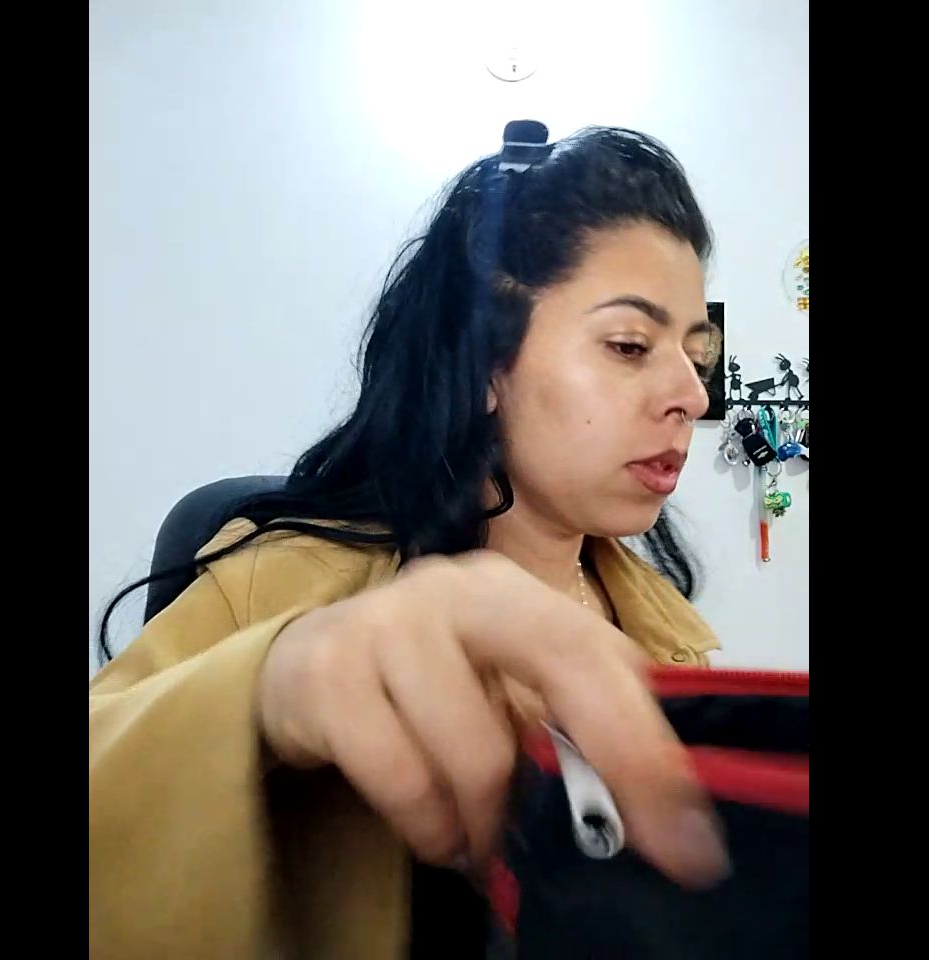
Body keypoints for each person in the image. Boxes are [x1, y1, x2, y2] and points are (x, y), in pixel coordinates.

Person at [89, 122, 727, 959]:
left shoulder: (669, 632)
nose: (690, 394)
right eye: (629, 345)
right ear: (486, 364)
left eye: (695, 355)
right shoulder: (279, 584)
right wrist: (267, 691)